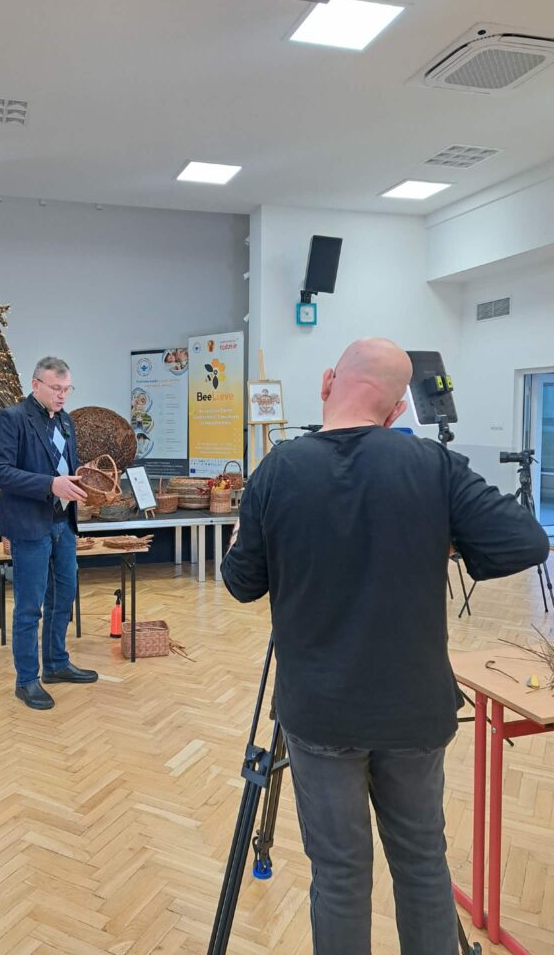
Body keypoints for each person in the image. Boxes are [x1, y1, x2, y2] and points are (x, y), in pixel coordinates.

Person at [222, 338, 550, 955]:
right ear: (398, 409)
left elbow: (242, 585)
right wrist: (447, 541)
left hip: (320, 711)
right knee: (423, 864)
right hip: (414, 710)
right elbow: (528, 542)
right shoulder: (433, 465)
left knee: (340, 876)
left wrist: (247, 537)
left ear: (327, 382)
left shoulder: (279, 469)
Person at [0, 356, 98, 710]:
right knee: (29, 607)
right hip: (29, 525)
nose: (62, 395)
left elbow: (64, 467)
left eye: (67, 389)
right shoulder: (12, 418)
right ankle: (26, 681)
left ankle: (55, 664)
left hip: (63, 523)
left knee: (64, 596)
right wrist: (50, 484)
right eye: (56, 388)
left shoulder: (66, 420)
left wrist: (82, 480)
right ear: (35, 385)